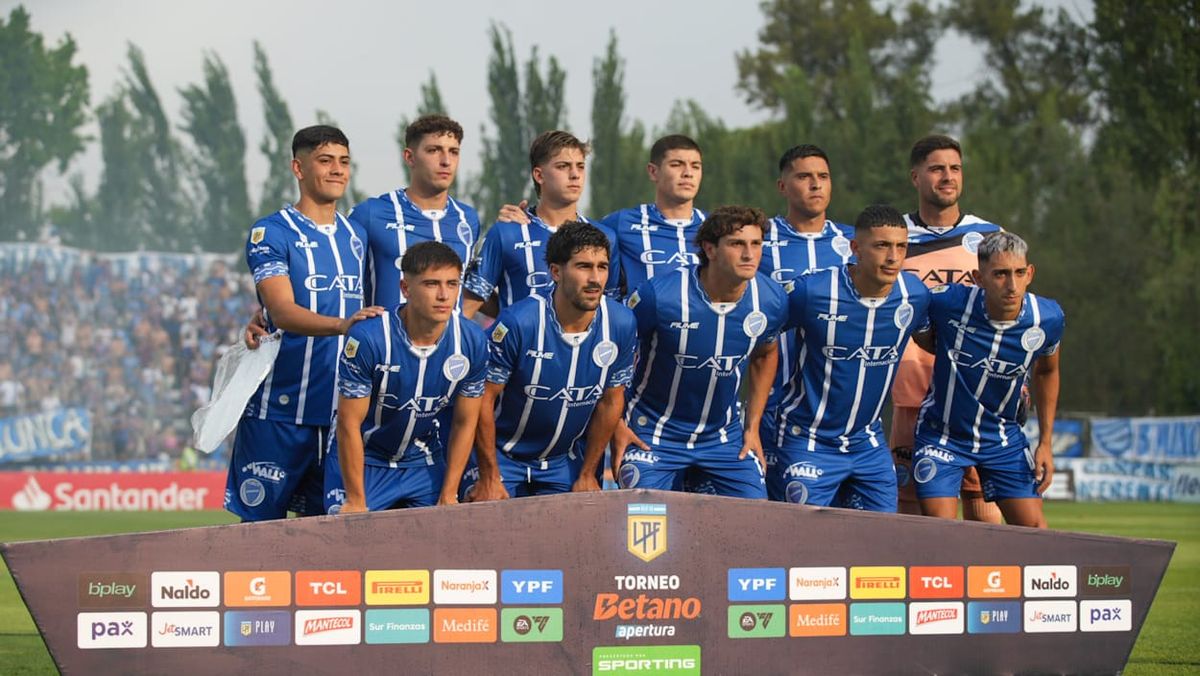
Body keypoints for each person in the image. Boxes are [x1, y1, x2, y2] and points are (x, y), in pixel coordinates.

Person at [225, 125, 384, 521]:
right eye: (325, 160)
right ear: (298, 168)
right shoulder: (271, 231)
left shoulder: (357, 235)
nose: (337, 170)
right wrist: (342, 325)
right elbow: (280, 311)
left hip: (339, 417)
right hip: (279, 413)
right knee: (259, 531)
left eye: (344, 162)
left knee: (331, 533)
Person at [453, 222, 637, 499]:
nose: (595, 279)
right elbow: (483, 400)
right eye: (583, 266)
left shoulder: (622, 323)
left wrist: (587, 473)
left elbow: (611, 401)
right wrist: (490, 474)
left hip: (563, 461)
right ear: (555, 272)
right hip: (503, 456)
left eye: (602, 267)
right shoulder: (519, 322)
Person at [615, 206, 786, 499]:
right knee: (644, 533)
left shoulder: (771, 300)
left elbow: (766, 354)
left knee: (756, 526)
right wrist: (615, 425)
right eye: (737, 244)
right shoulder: (660, 295)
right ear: (710, 249)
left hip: (724, 437)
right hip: (653, 433)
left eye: (756, 244)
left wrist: (752, 426)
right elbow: (616, 351)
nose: (749, 254)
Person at [772, 204, 930, 511]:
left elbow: (937, 342)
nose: (893, 257)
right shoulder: (812, 291)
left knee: (881, 549)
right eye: (882, 245)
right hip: (807, 438)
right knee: (800, 545)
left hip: (868, 443)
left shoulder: (915, 295)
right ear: (856, 247)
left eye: (901, 246)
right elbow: (760, 339)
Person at [911, 232, 1062, 527]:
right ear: (979, 278)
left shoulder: (1047, 318)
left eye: (1019, 273)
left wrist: (1045, 442)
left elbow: (1047, 371)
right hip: (943, 435)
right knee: (940, 530)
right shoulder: (947, 302)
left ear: (1030, 273)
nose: (1012, 285)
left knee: (1037, 534)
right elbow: (923, 336)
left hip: (1003, 438)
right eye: (1001, 274)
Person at [891, 134, 1005, 522]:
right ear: (915, 177)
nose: (947, 176)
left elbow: (1009, 313)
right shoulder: (894, 238)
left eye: (954, 168)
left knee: (983, 501)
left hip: (975, 392)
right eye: (937, 168)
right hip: (911, 388)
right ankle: (920, 584)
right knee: (914, 505)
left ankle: (988, 583)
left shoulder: (989, 236)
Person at [328, 242, 487, 513]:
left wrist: (449, 493)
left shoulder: (472, 340)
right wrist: (356, 499)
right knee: (350, 546)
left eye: (452, 284)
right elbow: (348, 424)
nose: (443, 295)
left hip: (422, 460)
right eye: (431, 284)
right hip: (365, 459)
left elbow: (465, 421)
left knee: (440, 549)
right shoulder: (369, 337)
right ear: (405, 288)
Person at [759, 144, 855, 501]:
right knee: (780, 519)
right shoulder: (759, 243)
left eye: (823, 177)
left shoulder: (854, 244)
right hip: (775, 404)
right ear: (783, 186)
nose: (816, 185)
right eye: (804, 177)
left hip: (840, 412)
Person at [461, 131, 620, 317]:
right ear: (539, 175)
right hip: (519, 346)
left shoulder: (605, 236)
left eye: (581, 166)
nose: (575, 174)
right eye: (563, 166)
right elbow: (470, 303)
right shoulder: (507, 233)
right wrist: (513, 322)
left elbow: (611, 309)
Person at [345, 115, 481, 309]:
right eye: (434, 150)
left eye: (453, 152)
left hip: (450, 340)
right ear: (410, 157)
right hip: (387, 338)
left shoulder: (468, 219)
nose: (446, 161)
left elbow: (473, 286)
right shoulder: (370, 214)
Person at [600, 134, 707, 298]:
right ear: (653, 172)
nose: (688, 173)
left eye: (695, 166)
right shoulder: (622, 223)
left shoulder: (716, 227)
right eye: (676, 164)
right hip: (644, 323)